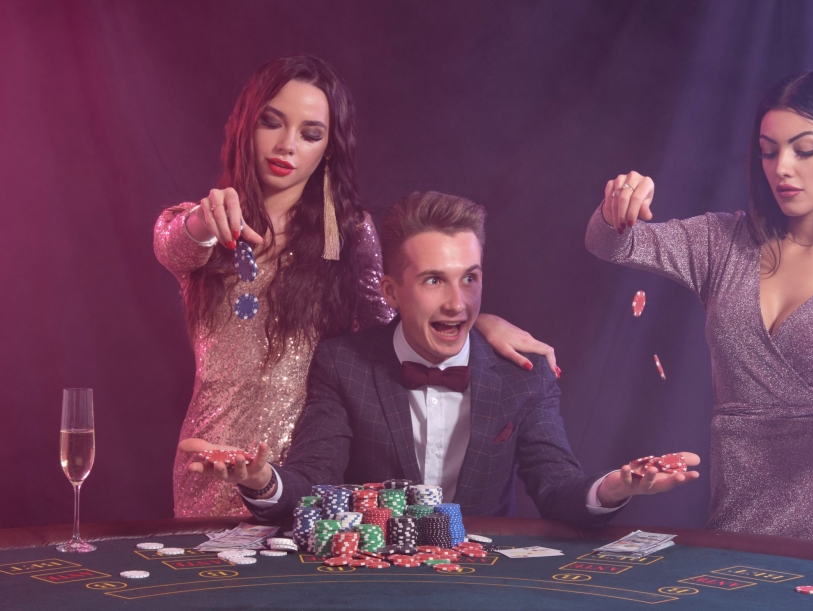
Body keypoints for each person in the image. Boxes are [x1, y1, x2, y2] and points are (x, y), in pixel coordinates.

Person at [154, 56, 559, 518]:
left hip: (314, 469)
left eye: (310, 133)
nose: (287, 145)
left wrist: (476, 320)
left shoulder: (348, 234)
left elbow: (397, 327)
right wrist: (202, 222)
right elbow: (174, 248)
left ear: (328, 148)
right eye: (271, 123)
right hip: (212, 457)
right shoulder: (199, 225)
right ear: (246, 126)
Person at [180, 191, 701, 523]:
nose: (458, 303)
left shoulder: (522, 374)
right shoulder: (343, 364)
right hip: (374, 591)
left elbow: (558, 486)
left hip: (481, 592)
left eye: (469, 278)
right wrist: (260, 480)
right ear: (390, 290)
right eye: (434, 281)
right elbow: (311, 482)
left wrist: (612, 489)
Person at [585, 70, 813, 551]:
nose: (782, 167)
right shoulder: (720, 242)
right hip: (740, 516)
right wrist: (618, 201)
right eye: (769, 151)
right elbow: (608, 243)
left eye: (804, 150)